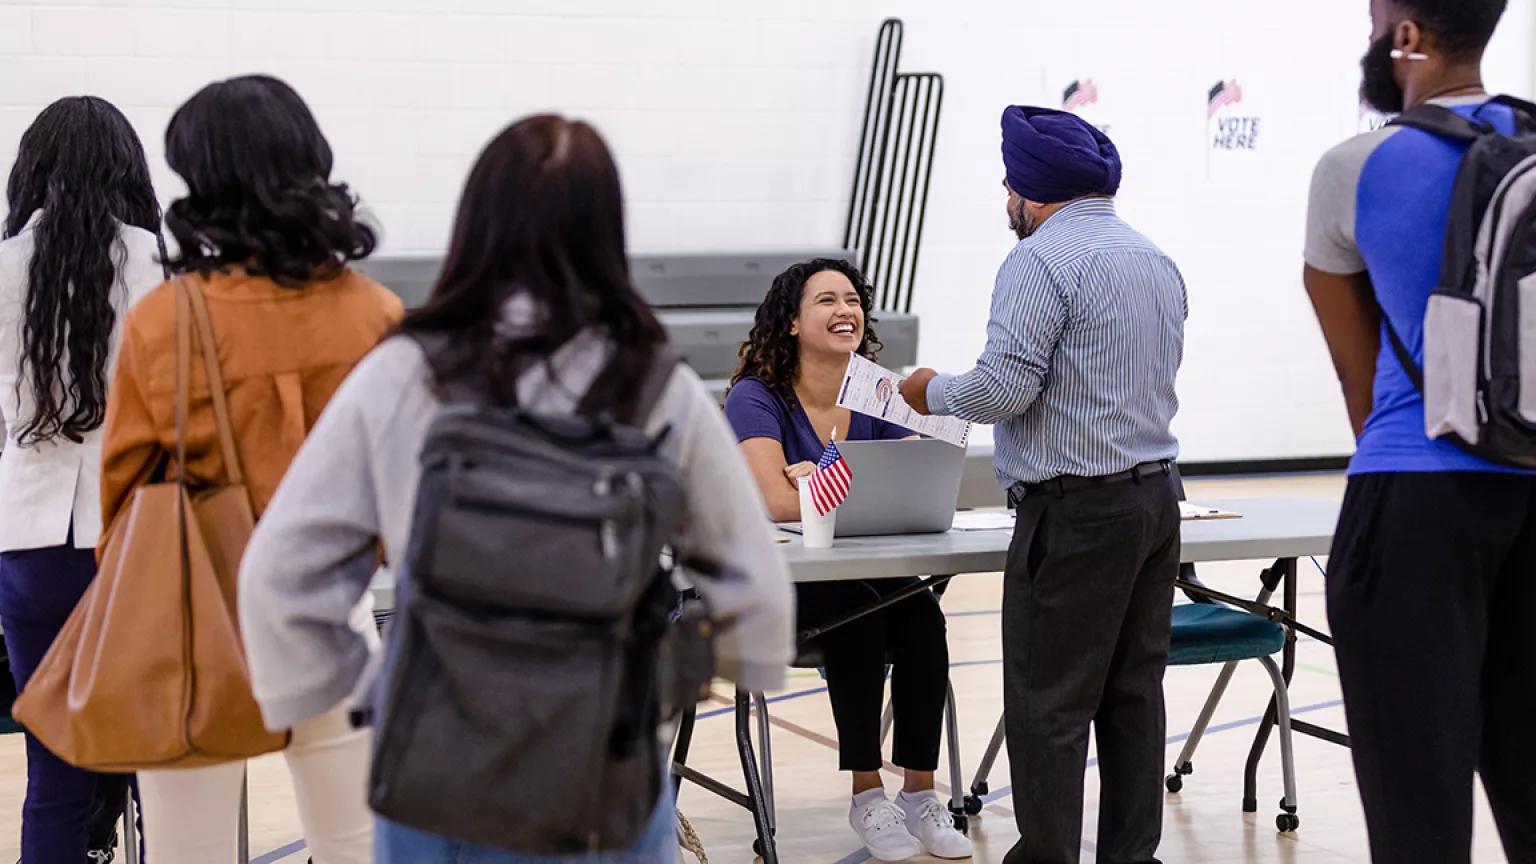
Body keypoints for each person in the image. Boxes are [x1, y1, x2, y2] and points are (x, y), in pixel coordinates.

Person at [234, 114, 795, 864]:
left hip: (438, 761)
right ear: (606, 229)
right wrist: (677, 687)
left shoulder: (405, 373)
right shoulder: (653, 384)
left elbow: (279, 573)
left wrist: (367, 694)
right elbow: (756, 592)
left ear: (476, 222)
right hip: (601, 767)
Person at [98, 76, 402, 864]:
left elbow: (123, 498)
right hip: (331, 616)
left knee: (186, 850)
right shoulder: (372, 313)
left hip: (196, 627)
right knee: (358, 845)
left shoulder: (163, 321)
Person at [901, 107, 1186, 864]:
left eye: (1009, 182)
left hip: (1077, 509)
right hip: (1157, 500)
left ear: (1032, 190)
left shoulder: (1039, 261)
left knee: (1049, 704)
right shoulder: (1154, 258)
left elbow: (1002, 392)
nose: (1005, 195)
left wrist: (928, 390)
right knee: (1133, 696)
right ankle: (1131, 856)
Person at [1303, 1, 1536, 861]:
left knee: (1416, 798)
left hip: (1418, 491)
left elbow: (1358, 383)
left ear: (1405, 37)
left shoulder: (1357, 164)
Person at [725, 258, 972, 862]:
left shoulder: (878, 391)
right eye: (827, 301)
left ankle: (919, 793)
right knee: (861, 608)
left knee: (919, 614)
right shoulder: (756, 397)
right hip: (782, 586)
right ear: (790, 322)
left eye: (853, 300)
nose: (846, 312)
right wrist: (819, 490)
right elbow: (776, 500)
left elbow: (914, 488)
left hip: (865, 569)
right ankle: (867, 794)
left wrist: (821, 483)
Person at [0, 95, 164, 864]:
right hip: (137, 543)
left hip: (30, 547)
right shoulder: (162, 269)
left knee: (51, 774)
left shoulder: (3, 270)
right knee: (162, 768)